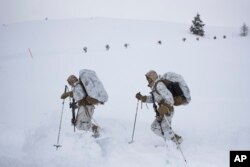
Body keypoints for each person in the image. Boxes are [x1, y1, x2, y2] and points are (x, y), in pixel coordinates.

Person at [135, 70, 182, 144]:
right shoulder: (155, 87)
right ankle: (173, 140)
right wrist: (142, 98)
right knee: (154, 127)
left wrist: (165, 108)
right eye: (147, 79)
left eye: (148, 78)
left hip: (167, 111)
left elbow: (170, 98)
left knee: (165, 129)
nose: (147, 80)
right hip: (161, 111)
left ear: (152, 77)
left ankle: (177, 141)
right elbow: (153, 98)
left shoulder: (159, 85)